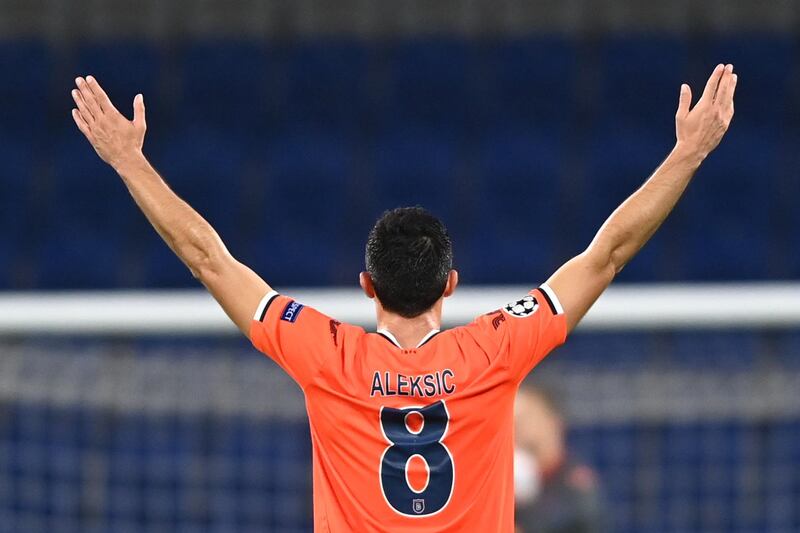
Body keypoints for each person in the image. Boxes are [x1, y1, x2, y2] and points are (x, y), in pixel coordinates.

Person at [69, 63, 736, 531]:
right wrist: (688, 153)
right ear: (451, 284)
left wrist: (128, 158)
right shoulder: (495, 350)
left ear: (367, 286)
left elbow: (208, 257)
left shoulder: (325, 354)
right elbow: (607, 254)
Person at [514, 383, 607, 533]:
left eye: (528, 416)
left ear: (552, 420)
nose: (518, 424)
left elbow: (579, 519)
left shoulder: (576, 479)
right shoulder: (514, 473)